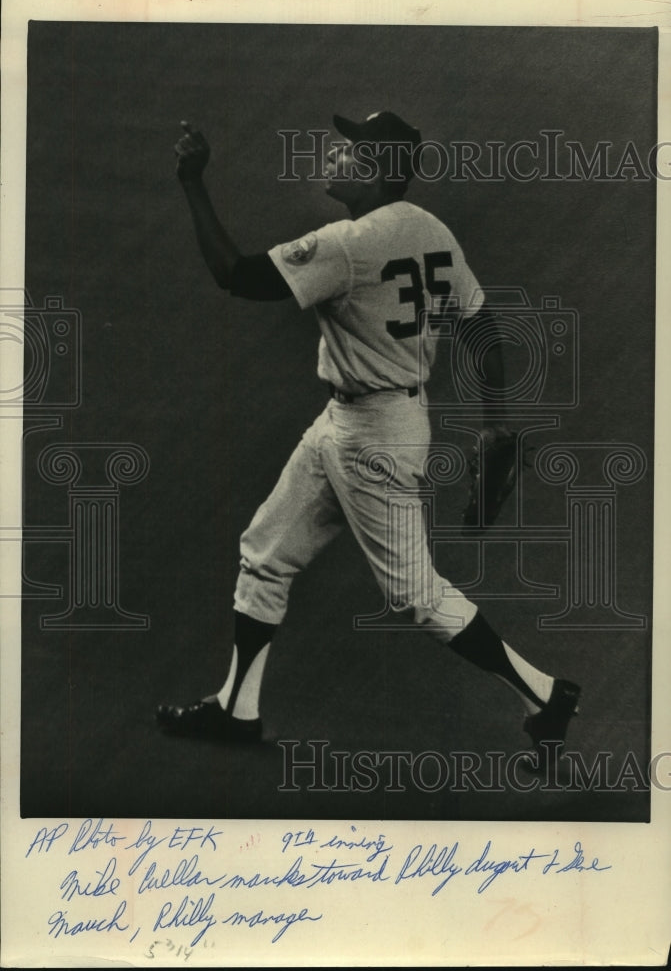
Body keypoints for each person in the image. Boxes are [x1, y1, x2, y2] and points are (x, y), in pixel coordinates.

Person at [156, 110, 581, 773]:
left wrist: (192, 183)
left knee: (418, 595)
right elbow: (481, 327)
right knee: (266, 552)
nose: (335, 156)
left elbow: (233, 275)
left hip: (372, 441)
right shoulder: (428, 229)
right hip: (359, 423)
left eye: (351, 150)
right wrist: (496, 418)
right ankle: (237, 708)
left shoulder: (349, 244)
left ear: (380, 170)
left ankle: (545, 695)